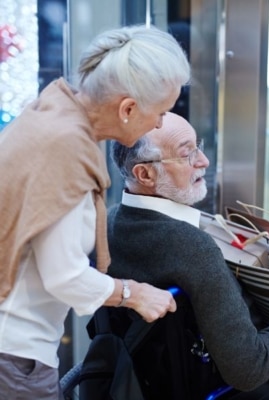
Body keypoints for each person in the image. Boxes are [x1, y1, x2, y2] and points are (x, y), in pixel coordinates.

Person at [107, 112, 269, 399]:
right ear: (146, 174)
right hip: (225, 382)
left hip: (153, 376)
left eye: (198, 147)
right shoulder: (194, 247)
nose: (203, 161)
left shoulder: (110, 223)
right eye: (187, 154)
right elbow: (247, 368)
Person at [0, 25, 190, 399]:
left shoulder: (50, 110)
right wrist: (134, 294)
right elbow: (64, 276)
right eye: (161, 112)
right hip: (15, 355)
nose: (158, 124)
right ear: (128, 108)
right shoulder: (66, 151)